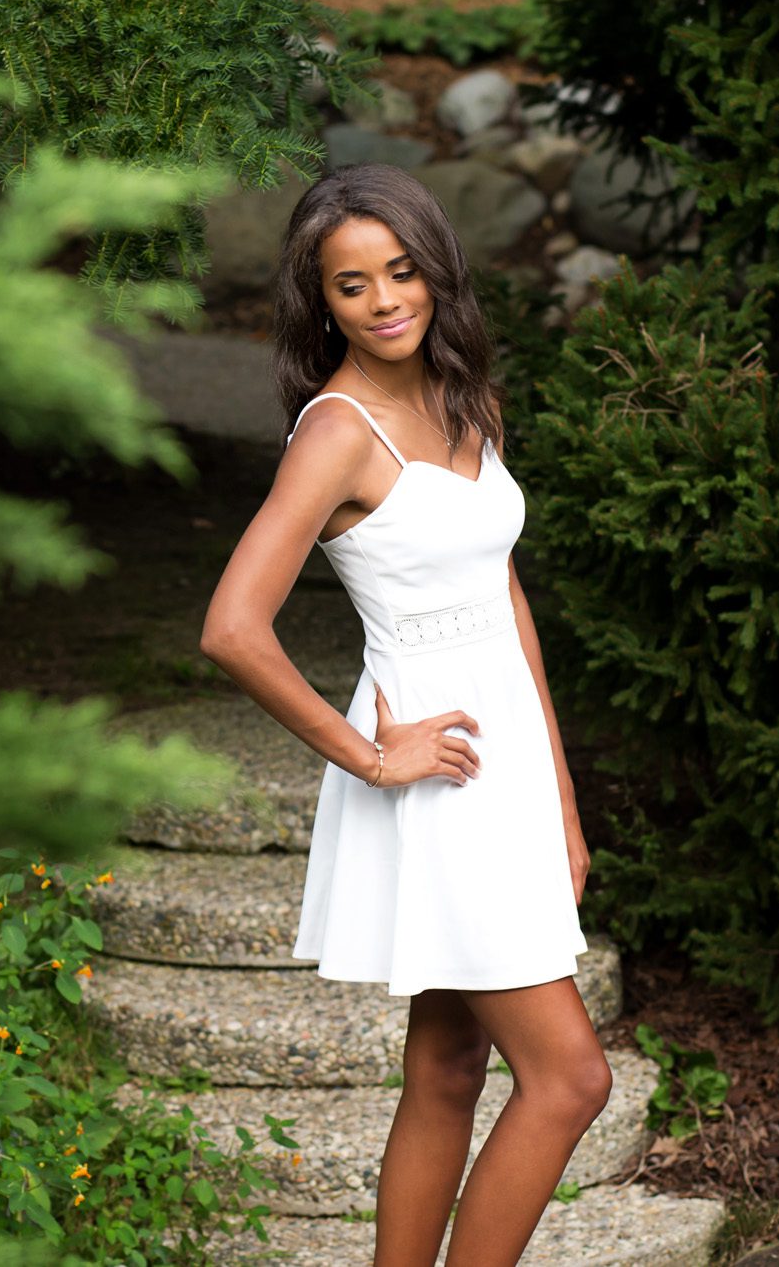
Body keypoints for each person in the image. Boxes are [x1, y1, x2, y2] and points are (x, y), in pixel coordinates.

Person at [197, 162, 610, 1266]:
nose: (384, 301)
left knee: (444, 1067)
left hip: (506, 762)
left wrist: (559, 799)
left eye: (400, 271)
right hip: (436, 770)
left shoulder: (462, 393)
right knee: (569, 1077)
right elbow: (232, 626)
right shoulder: (335, 432)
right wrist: (372, 758)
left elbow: (503, 590)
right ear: (316, 300)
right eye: (349, 284)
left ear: (435, 271)